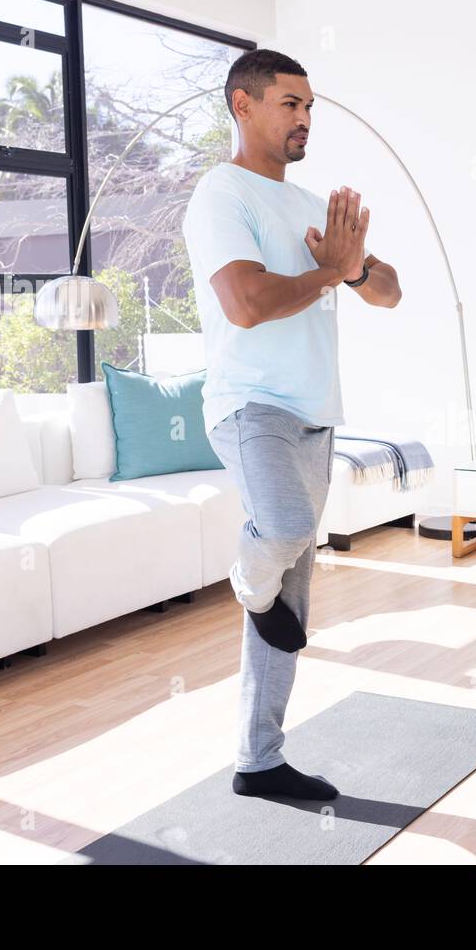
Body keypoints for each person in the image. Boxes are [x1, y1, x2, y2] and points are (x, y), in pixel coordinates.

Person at [182, 49, 402, 800]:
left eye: (309, 105)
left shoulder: (312, 204)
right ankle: (247, 576)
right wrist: (330, 273)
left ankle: (259, 757)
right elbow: (245, 301)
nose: (304, 117)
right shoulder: (220, 193)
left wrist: (356, 265)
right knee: (276, 535)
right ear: (242, 106)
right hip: (252, 404)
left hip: (317, 414)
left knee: (288, 608)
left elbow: (390, 292)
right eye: (288, 103)